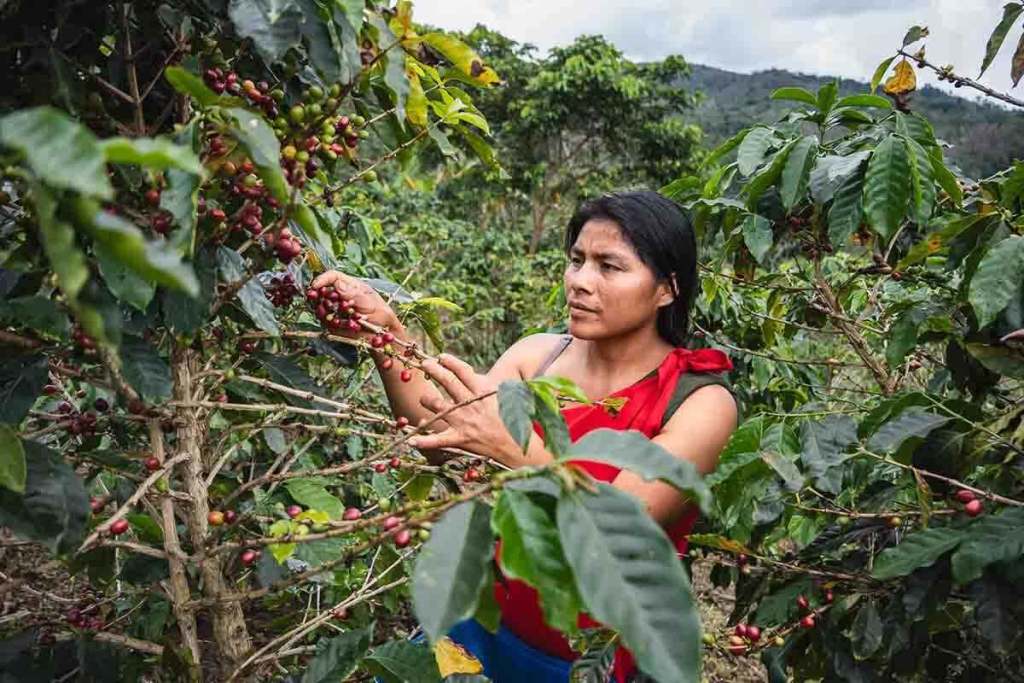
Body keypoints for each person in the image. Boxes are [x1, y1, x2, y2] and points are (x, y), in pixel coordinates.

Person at [311, 189, 738, 682]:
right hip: (483, 625)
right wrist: (384, 333)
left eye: (609, 266)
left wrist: (506, 446)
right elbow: (441, 431)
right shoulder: (539, 356)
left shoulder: (701, 403)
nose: (580, 281)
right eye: (576, 260)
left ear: (666, 289)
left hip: (590, 662)